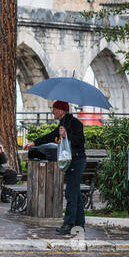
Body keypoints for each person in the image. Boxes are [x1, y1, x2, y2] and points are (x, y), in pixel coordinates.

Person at [23, 100, 86, 235]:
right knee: (76, 193)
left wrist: (66, 135)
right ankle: (80, 223)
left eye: (55, 109)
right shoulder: (63, 123)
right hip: (70, 161)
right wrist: (34, 143)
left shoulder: (75, 123)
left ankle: (68, 224)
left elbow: (80, 141)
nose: (52, 111)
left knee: (70, 193)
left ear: (62, 110)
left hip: (76, 161)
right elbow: (51, 136)